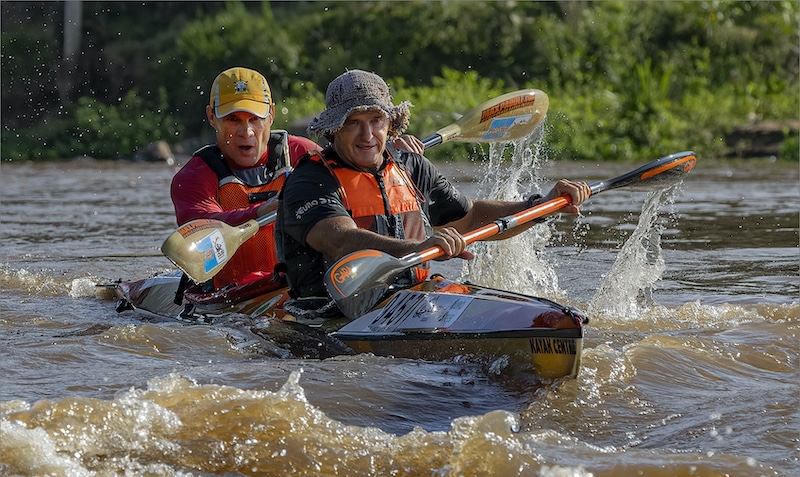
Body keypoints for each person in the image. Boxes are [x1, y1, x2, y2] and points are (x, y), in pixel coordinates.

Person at [276, 69, 591, 308]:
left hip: (414, 298)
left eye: (376, 120)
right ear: (333, 129)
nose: (368, 135)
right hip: (332, 312)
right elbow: (340, 240)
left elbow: (471, 217)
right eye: (353, 122)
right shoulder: (310, 180)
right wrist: (418, 247)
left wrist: (540, 206)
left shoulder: (411, 167)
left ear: (390, 123)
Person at [170, 67, 423, 291]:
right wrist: (261, 211)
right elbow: (199, 230)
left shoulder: (302, 152)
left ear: (271, 114)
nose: (246, 132)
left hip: (297, 286)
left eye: (255, 119)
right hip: (231, 295)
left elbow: (351, 168)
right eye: (232, 119)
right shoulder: (194, 176)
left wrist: (389, 156)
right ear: (211, 117)